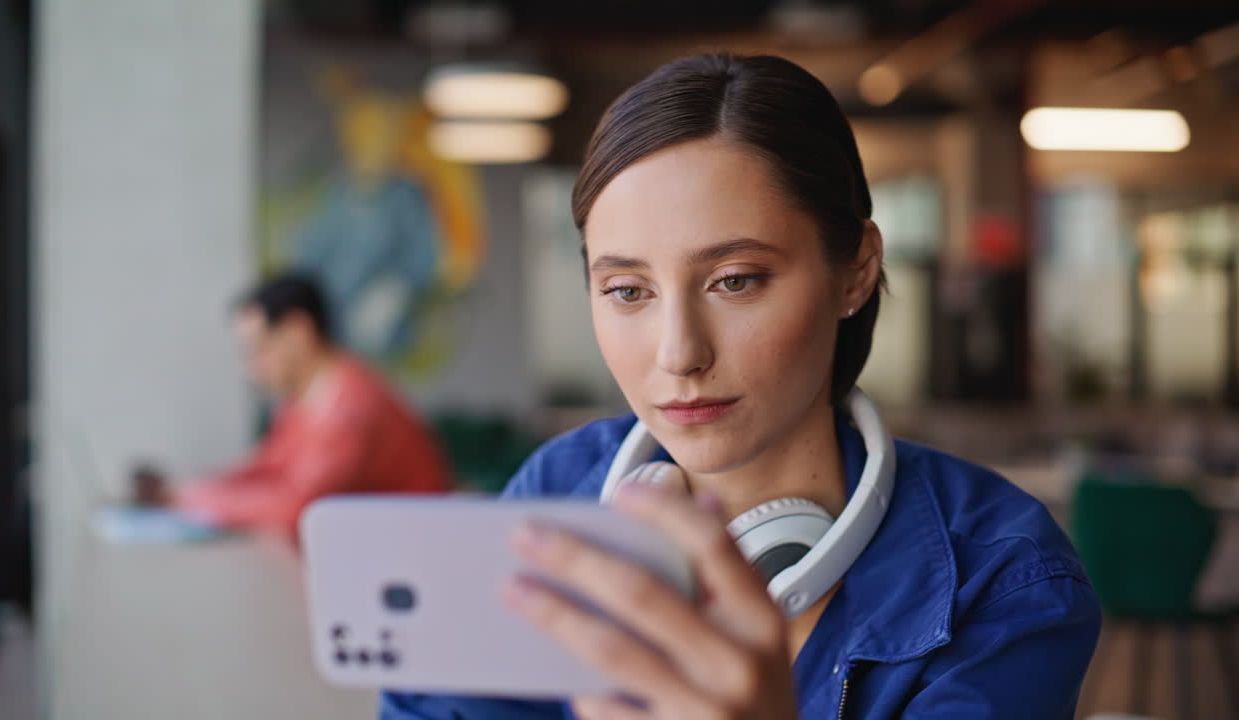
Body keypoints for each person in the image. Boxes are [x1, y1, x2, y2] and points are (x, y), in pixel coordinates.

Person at [381, 53, 1100, 720]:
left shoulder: (1003, 579)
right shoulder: (560, 492)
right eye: (628, 290)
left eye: (735, 281)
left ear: (855, 271)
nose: (679, 354)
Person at [169, 272, 451, 541]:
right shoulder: (307, 399)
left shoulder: (348, 409)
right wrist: (191, 489)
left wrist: (190, 498)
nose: (251, 369)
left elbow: (298, 507)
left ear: (297, 332)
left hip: (413, 549)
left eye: (259, 349)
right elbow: (268, 468)